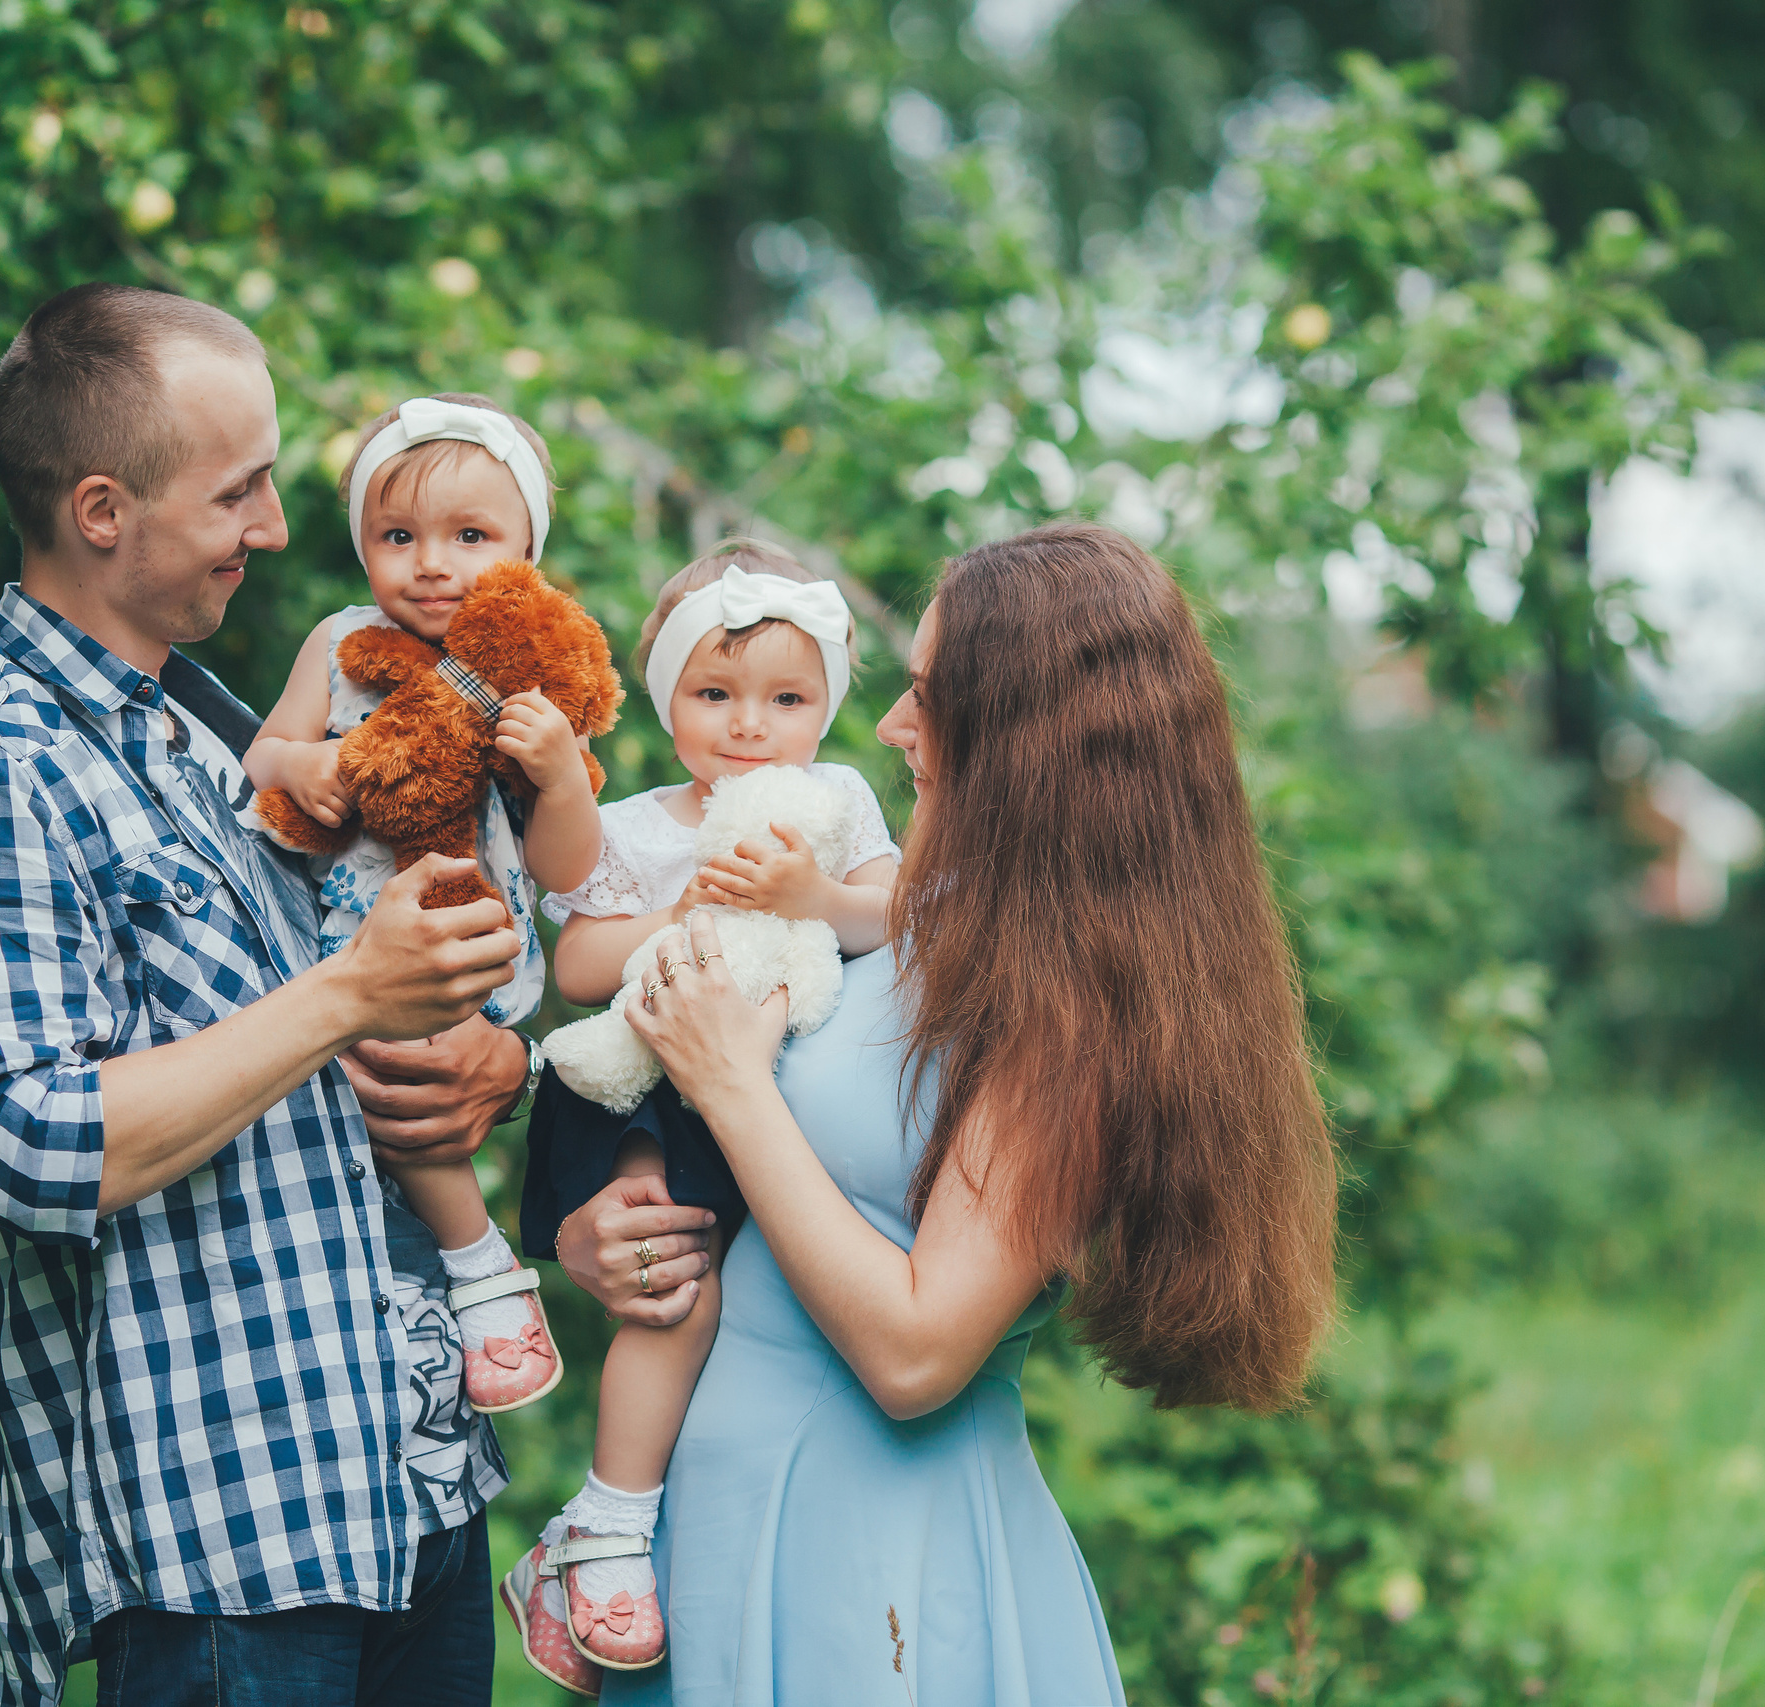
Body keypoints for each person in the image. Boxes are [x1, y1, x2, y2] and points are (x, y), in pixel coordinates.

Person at [0, 283, 539, 1707]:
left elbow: (362, 1027)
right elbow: (33, 1142)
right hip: (217, 1551)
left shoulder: (220, 730)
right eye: (240, 490)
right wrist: (354, 991)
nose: (280, 529)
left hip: (405, 1483)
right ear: (102, 509)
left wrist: (495, 1056)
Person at [562, 522, 1340, 1704]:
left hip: (874, 1566)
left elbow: (918, 1352)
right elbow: (753, 1168)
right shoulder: (919, 912)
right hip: (716, 1514)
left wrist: (728, 1083)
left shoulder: (1074, 1006)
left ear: (1028, 736)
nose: (884, 727)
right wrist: (610, 1227)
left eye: (926, 695)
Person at [499, 541, 900, 1690]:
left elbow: (895, 912)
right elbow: (577, 963)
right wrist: (684, 905)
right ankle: (609, 1518)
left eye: (787, 699)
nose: (749, 726)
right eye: (714, 695)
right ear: (664, 696)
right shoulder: (631, 823)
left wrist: (809, 898)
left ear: (827, 706)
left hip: (762, 1092)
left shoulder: (837, 802)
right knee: (678, 1290)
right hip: (645, 1080)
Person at [243, 394, 596, 1417]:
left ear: (525, 547)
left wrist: (561, 775)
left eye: (470, 537)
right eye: (397, 537)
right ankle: (473, 1272)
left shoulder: (524, 672)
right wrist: (303, 760)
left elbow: (568, 867)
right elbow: (261, 751)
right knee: (386, 1093)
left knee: (418, 1090)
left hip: (467, 939)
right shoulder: (341, 641)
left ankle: (480, 1270)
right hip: (354, 933)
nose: (431, 563)